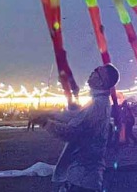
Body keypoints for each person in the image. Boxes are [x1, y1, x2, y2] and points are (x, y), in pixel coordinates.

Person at [48, 64, 119, 192]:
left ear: (102, 82)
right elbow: (75, 115)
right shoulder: (98, 101)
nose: (93, 70)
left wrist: (45, 123)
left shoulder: (97, 105)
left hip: (82, 177)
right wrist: (49, 114)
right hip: (83, 176)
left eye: (97, 71)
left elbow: (70, 132)